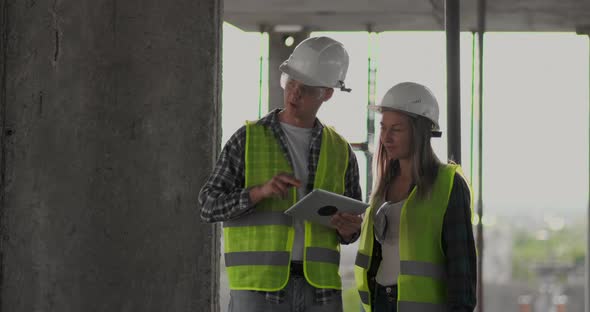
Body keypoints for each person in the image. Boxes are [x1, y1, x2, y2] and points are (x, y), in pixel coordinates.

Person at [199, 36, 363, 312]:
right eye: (291, 83)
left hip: (320, 290)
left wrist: (349, 230)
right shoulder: (247, 139)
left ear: (327, 93)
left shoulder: (341, 150)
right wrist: (258, 193)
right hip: (258, 289)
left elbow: (352, 226)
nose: (294, 94)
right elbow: (208, 205)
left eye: (306, 89)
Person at [354, 82, 477, 311]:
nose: (386, 138)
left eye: (396, 129)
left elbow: (462, 272)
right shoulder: (383, 186)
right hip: (380, 301)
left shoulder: (449, 185)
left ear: (419, 131)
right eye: (383, 128)